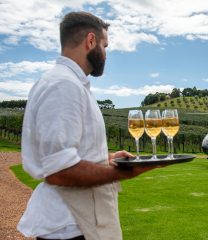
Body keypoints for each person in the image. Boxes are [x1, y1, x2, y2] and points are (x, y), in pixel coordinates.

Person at [18, 11, 164, 240]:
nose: (105, 54)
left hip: (79, 223)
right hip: (72, 227)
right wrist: (124, 172)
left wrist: (107, 158)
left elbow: (67, 154)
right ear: (91, 41)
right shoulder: (63, 86)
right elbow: (59, 171)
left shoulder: (69, 83)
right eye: (105, 46)